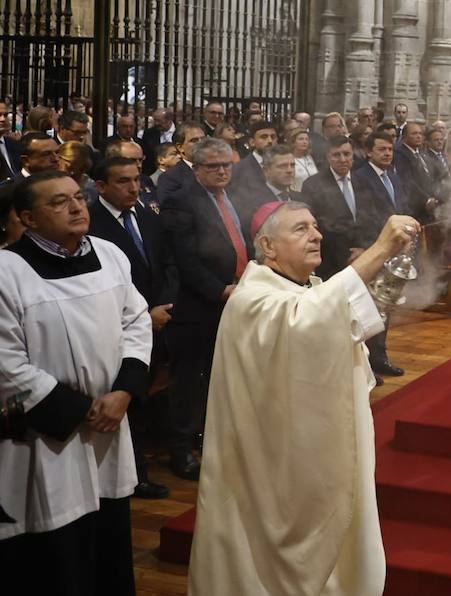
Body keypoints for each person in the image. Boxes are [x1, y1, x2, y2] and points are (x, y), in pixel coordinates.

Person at [188, 204, 419, 596]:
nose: (317, 235)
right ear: (267, 245)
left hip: (317, 449)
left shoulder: (310, 287)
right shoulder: (252, 299)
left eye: (315, 226)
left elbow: (339, 325)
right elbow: (305, 320)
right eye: (300, 229)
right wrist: (380, 248)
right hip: (271, 464)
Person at [0, 171, 152, 596]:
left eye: (78, 198)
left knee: (108, 544)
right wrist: (80, 409)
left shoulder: (108, 254)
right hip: (46, 437)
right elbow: (5, 363)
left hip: (110, 424)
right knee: (55, 550)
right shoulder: (7, 271)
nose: (76, 207)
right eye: (59, 202)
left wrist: (123, 391)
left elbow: (137, 321)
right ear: (28, 218)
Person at [86, 156, 176, 499]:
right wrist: (144, 314)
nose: (134, 187)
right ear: (102, 186)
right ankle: (130, 477)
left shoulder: (144, 215)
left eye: (137, 179)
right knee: (128, 405)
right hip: (122, 327)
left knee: (145, 404)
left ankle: (138, 471)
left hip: (158, 318)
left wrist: (163, 305)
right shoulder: (93, 225)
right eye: (123, 181)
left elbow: (167, 263)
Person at [159, 138, 248, 481]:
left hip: (232, 299)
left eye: (226, 164)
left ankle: (209, 440)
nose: (222, 170)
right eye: (213, 166)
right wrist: (219, 290)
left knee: (218, 377)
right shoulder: (181, 202)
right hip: (197, 307)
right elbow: (184, 259)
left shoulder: (229, 196)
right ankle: (180, 451)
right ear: (196, 169)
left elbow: (237, 242)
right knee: (187, 382)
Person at [350, 132, 411, 379]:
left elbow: (400, 209)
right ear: (369, 152)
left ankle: (380, 356)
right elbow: (364, 217)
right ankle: (366, 361)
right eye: (381, 149)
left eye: (389, 149)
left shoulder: (393, 176)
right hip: (372, 248)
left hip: (394, 250)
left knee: (386, 305)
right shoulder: (360, 178)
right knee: (368, 305)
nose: (387, 153)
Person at [302, 136, 368, 279]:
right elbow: (317, 224)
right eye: (336, 155)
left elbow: (372, 218)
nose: (343, 159)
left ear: (353, 155)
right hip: (331, 262)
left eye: (346, 154)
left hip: (364, 257)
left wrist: (364, 249)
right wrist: (347, 254)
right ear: (328, 157)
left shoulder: (364, 181)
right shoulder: (313, 185)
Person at [155, 124, 207, 203]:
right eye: (194, 141)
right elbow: (171, 210)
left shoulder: (217, 170)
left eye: (203, 140)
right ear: (180, 147)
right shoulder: (170, 178)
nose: (201, 144)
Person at [233, 121, 279, 192]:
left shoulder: (285, 164)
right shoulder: (239, 169)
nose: (270, 141)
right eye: (264, 137)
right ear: (252, 142)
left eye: (273, 137)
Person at [139, 108, 175, 176]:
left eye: (159, 121)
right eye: (155, 120)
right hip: (153, 173)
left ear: (169, 119)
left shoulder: (180, 131)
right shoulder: (149, 133)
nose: (156, 123)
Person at [287, 127, 318, 191]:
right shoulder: (288, 159)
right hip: (297, 195)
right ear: (293, 142)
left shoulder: (310, 157)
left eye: (306, 139)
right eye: (301, 139)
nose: (304, 142)